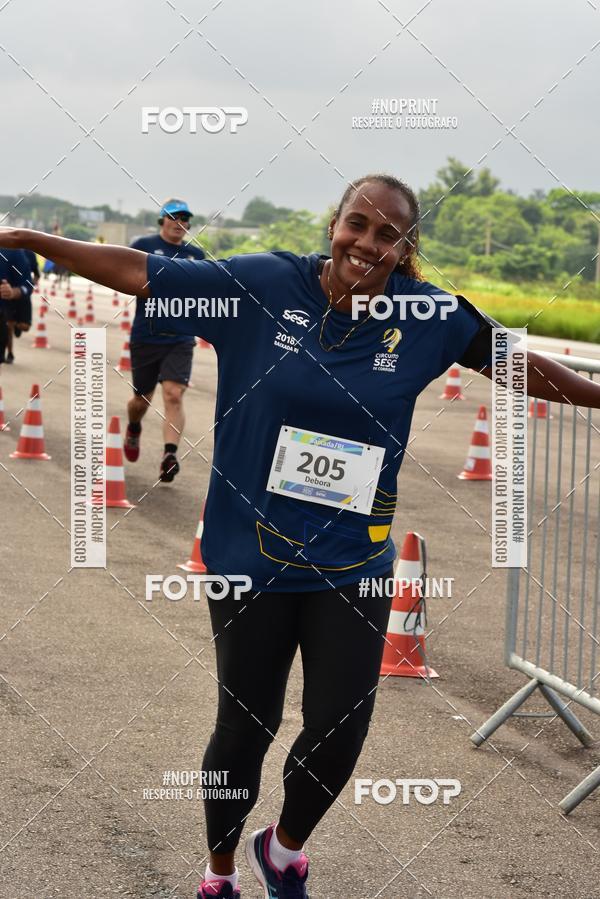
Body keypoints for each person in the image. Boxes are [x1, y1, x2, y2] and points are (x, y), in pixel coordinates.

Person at [3, 174, 599, 899]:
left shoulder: (428, 317)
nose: (367, 243)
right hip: (250, 557)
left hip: (356, 560)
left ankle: (283, 851)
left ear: (407, 249)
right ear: (334, 224)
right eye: (358, 224)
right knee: (244, 728)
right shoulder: (262, 286)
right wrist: (28, 238)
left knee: (341, 726)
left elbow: (515, 364)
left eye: (389, 235)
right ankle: (219, 873)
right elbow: (143, 273)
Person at [124, 198, 206, 483]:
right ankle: (134, 426)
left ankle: (169, 454)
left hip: (181, 338)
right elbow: (121, 272)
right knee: (141, 399)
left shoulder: (196, 256)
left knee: (173, 393)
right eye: (174, 217)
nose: (179, 223)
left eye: (185, 219)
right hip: (146, 336)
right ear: (162, 221)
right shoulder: (143, 247)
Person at [0, 247, 33, 365]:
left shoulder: (11, 250)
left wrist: (13, 292)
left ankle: (15, 325)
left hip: (9, 303)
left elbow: (28, 284)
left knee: (21, 326)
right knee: (9, 325)